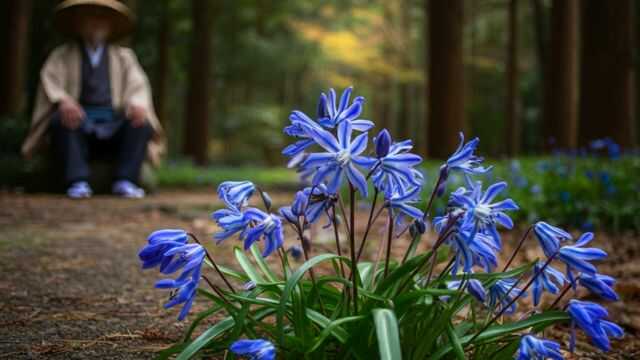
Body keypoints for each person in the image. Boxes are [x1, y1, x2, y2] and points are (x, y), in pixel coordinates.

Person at [22, 0, 165, 199]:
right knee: (60, 121)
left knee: (141, 123)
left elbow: (138, 86)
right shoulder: (62, 55)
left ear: (110, 25)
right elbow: (51, 84)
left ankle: (126, 180)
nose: (97, 23)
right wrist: (64, 101)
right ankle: (77, 181)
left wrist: (136, 103)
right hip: (79, 122)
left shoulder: (124, 57)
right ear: (79, 23)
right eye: (90, 18)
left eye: (102, 19)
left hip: (114, 123)